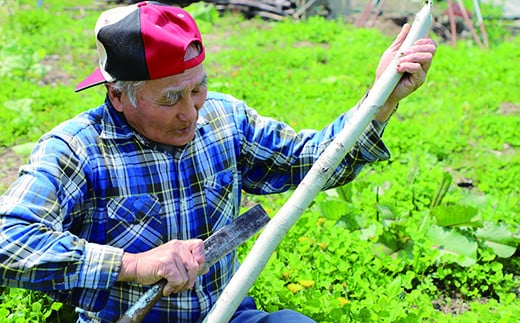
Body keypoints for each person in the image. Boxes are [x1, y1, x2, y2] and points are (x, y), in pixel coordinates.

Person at [0, 1, 436, 322]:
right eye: (170, 98)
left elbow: (312, 161)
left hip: (225, 313)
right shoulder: (77, 149)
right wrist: (133, 265)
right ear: (117, 94)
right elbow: (8, 243)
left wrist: (379, 104)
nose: (190, 112)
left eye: (196, 89)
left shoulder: (224, 119)